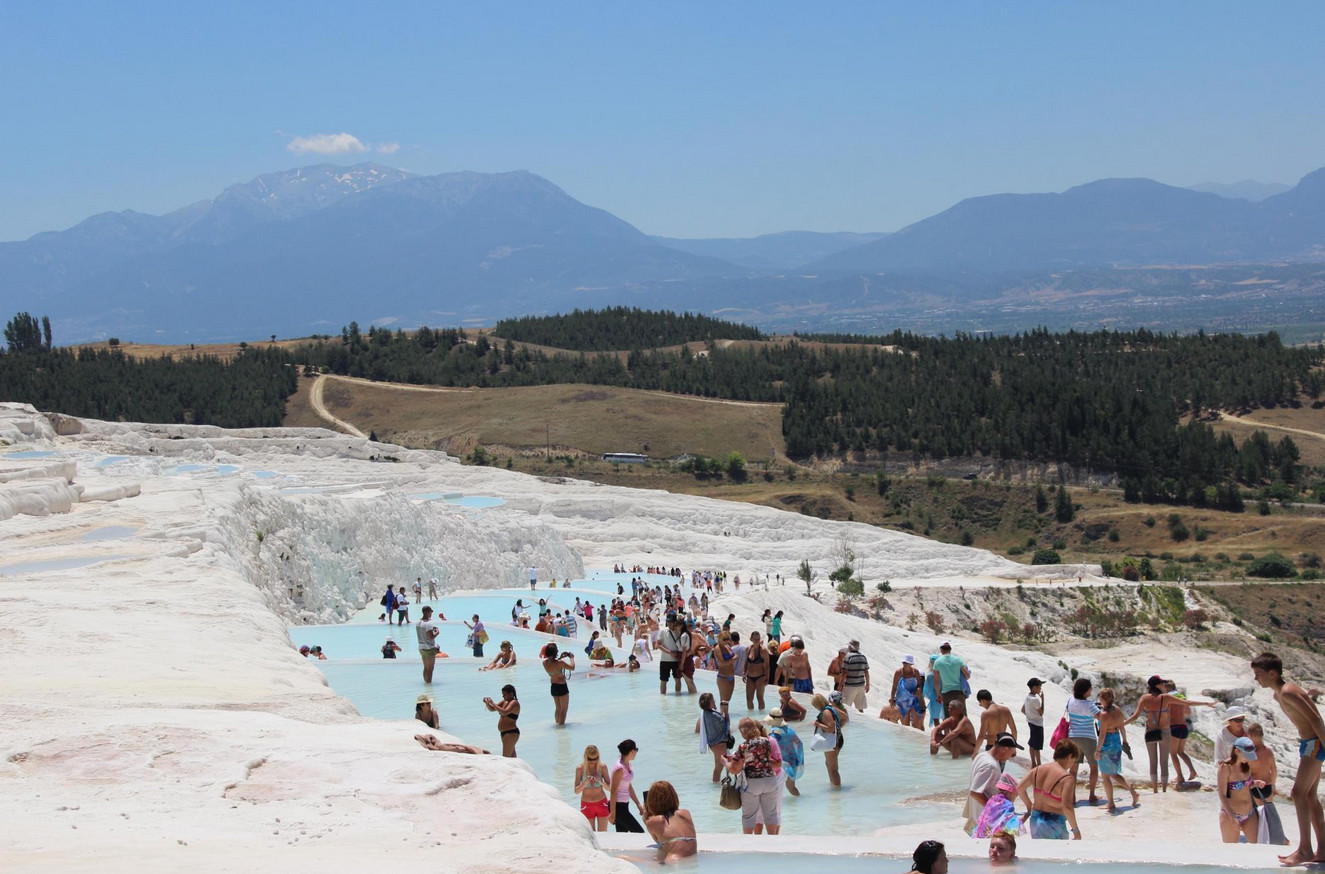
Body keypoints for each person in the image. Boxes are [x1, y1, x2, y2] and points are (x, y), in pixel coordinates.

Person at [1251, 651, 1325, 865]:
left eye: (1259, 674)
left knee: (1297, 793)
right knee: (1309, 796)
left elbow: (1316, 718)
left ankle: (1304, 850)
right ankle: (1321, 850)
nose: (1256, 678)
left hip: (1314, 743)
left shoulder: (1288, 691)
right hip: (1308, 744)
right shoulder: (1279, 694)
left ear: (1272, 673)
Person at [726, 717, 782, 835]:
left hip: (752, 783)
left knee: (749, 816)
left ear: (743, 732)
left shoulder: (743, 746)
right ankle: (773, 842)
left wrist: (725, 763)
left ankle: (748, 844)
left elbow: (734, 769)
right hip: (769, 780)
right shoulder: (766, 741)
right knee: (771, 814)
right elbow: (765, 759)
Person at [1018, 739, 1083, 840]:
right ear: (1070, 756)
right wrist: (1076, 831)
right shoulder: (1066, 778)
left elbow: (1020, 788)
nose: (1072, 765)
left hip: (1035, 821)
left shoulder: (1037, 770)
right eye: (1074, 761)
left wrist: (1029, 806)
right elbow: (1067, 807)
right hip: (1053, 824)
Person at [1125, 674, 1179, 793]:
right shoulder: (1166, 697)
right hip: (1164, 732)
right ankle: (1164, 790)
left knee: (1152, 762)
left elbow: (1135, 716)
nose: (1163, 685)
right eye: (1161, 683)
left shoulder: (1145, 698)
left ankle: (1155, 789)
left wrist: (1122, 724)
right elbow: (1187, 703)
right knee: (1164, 762)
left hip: (1150, 731)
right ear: (1157, 685)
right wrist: (1206, 704)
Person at [965, 732, 1022, 833]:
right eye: (1012, 754)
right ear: (1005, 749)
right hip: (986, 820)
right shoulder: (990, 765)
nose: (1010, 758)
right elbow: (975, 792)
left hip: (978, 816)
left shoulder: (981, 756)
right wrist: (995, 811)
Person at [1095, 687, 1141, 811]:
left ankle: (1111, 803)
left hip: (1107, 744)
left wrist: (1098, 750)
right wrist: (1125, 741)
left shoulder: (1104, 715)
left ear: (1103, 699)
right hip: (1116, 742)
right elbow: (1122, 727)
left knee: (1105, 776)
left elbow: (1102, 734)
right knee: (1113, 773)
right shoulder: (1118, 710)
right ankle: (1132, 792)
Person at [1248, 722, 1290, 846]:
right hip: (1267, 786)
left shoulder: (1250, 754)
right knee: (1270, 813)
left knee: (1261, 815)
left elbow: (1246, 771)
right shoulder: (1269, 751)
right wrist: (1273, 785)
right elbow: (1274, 769)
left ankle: (1265, 838)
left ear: (1250, 735)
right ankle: (1280, 837)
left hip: (1255, 786)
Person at [1166, 681, 1214, 784]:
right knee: (1181, 752)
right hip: (1184, 727)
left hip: (1174, 727)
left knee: (1173, 753)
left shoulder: (1168, 697)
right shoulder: (1181, 697)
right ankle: (1192, 771)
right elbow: (1188, 712)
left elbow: (1166, 712)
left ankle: (1179, 776)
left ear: (1167, 688)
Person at [1065, 677, 1102, 805]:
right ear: (1085, 690)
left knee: (1073, 769)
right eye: (1090, 688)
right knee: (1094, 767)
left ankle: (1072, 797)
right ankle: (1091, 795)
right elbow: (1100, 717)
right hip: (1088, 737)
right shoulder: (1089, 705)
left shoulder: (1070, 700)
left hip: (1073, 736)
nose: (1091, 690)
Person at [1218, 736, 1261, 843]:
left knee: (1258, 847)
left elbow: (1245, 786)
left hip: (1249, 813)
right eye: (1246, 755)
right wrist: (1232, 817)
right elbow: (1222, 794)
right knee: (1231, 851)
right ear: (1236, 751)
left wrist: (1255, 784)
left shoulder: (1246, 766)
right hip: (1230, 814)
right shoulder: (1225, 768)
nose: (1248, 759)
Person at [642, 781, 697, 863]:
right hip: (692, 859)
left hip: (672, 862)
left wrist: (645, 818)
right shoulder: (685, 813)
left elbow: (659, 842)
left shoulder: (654, 821)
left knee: (621, 857)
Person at [811, 691, 849, 787]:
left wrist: (818, 724)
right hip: (838, 739)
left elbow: (831, 729)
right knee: (829, 764)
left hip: (833, 741)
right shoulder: (832, 708)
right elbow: (845, 717)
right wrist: (839, 726)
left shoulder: (826, 712)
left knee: (833, 769)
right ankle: (833, 784)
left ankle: (837, 792)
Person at [609, 739, 645, 833]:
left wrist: (638, 805)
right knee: (639, 833)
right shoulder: (619, 768)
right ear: (632, 751)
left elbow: (628, 785)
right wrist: (613, 813)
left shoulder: (628, 764)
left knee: (622, 836)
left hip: (625, 805)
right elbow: (613, 791)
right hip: (618, 807)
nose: (636, 752)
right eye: (636, 750)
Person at [766, 709, 805, 796]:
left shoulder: (773, 733)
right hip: (792, 761)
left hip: (780, 763)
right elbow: (799, 743)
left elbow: (769, 748)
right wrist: (798, 759)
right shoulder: (789, 729)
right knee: (791, 787)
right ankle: (798, 804)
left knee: (774, 789)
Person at [575, 745, 611, 831]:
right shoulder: (580, 768)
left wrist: (600, 782)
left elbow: (610, 788)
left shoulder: (602, 767)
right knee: (590, 834)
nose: (592, 761)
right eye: (590, 759)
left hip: (601, 803)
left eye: (595, 759)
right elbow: (576, 791)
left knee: (603, 834)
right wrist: (585, 783)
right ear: (585, 757)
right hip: (586, 805)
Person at [696, 692, 731, 782]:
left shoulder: (706, 713)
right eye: (713, 701)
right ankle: (716, 786)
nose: (714, 702)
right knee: (719, 768)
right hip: (719, 744)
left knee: (720, 767)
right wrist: (725, 710)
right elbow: (726, 724)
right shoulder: (713, 715)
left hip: (715, 743)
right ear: (710, 702)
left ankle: (717, 787)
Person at [483, 684, 520, 758]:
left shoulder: (514, 702)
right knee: (512, 757)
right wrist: (487, 703)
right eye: (503, 695)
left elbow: (505, 712)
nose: (503, 697)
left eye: (505, 695)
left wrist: (493, 703)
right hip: (505, 733)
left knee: (506, 758)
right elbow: (492, 709)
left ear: (511, 694)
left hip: (510, 732)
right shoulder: (505, 702)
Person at [891, 654, 926, 730]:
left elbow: (919, 685)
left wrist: (918, 690)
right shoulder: (898, 672)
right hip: (902, 699)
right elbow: (894, 687)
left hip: (914, 698)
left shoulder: (915, 672)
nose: (905, 664)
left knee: (916, 723)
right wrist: (892, 699)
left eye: (907, 662)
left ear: (911, 664)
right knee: (905, 724)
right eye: (904, 662)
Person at [542, 642, 574, 726]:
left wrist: (560, 658)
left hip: (553, 686)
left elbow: (553, 664)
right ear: (555, 652)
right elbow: (572, 667)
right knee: (564, 709)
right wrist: (572, 658)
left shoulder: (545, 663)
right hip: (562, 686)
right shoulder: (560, 663)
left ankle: (557, 724)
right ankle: (561, 727)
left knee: (558, 708)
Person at [657, 616, 690, 695]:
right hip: (665, 660)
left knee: (678, 679)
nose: (670, 624)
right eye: (668, 622)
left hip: (676, 660)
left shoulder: (680, 632)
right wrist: (669, 652)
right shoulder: (663, 631)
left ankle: (678, 696)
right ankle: (663, 699)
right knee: (663, 680)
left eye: (671, 622)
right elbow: (658, 645)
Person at [932, 641, 970, 710]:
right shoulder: (958, 660)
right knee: (962, 716)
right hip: (959, 692)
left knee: (948, 716)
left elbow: (936, 681)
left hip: (946, 692)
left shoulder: (937, 662)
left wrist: (938, 694)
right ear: (950, 649)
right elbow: (967, 675)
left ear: (941, 649)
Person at [743, 631, 770, 710]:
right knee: (749, 699)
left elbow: (767, 665)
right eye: (755, 639)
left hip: (760, 677)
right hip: (750, 676)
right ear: (751, 639)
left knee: (760, 698)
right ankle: (751, 716)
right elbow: (746, 662)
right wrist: (744, 672)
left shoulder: (763, 650)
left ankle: (761, 716)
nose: (756, 640)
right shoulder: (748, 649)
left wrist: (767, 678)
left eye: (758, 639)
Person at [842, 640, 870, 712]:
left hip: (850, 686)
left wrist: (841, 684)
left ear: (851, 647)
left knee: (845, 707)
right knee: (860, 707)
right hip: (861, 686)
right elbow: (866, 672)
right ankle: (861, 721)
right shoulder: (863, 657)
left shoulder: (848, 657)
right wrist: (867, 685)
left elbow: (845, 672)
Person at [713, 631, 738, 713]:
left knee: (728, 699)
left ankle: (724, 715)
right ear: (719, 639)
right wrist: (732, 659)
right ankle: (723, 716)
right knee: (724, 700)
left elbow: (736, 655)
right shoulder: (717, 648)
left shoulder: (727, 646)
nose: (726, 641)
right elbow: (722, 662)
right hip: (723, 676)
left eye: (728, 639)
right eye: (724, 639)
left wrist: (730, 660)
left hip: (731, 675)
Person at [1023, 677, 1045, 768]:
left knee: (1032, 743)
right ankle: (1039, 765)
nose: (1040, 688)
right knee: (1037, 747)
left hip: (1031, 723)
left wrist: (1030, 716)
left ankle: (1033, 763)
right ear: (1034, 687)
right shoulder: (1035, 700)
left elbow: (1023, 710)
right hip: (1037, 724)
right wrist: (1043, 699)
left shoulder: (1027, 697)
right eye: (1039, 686)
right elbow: (1041, 712)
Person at [416, 605, 441, 684]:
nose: (431, 613)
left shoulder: (418, 622)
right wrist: (437, 632)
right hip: (429, 648)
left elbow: (423, 632)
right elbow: (430, 637)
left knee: (426, 667)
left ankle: (425, 683)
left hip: (421, 647)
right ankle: (429, 686)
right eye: (430, 612)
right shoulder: (428, 624)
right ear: (427, 612)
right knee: (430, 669)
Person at [414, 734, 489, 755]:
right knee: (460, 748)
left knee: (461, 748)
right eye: (427, 703)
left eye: (429, 703)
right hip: (440, 746)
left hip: (440, 745)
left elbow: (436, 725)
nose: (429, 705)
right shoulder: (418, 714)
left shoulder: (433, 712)